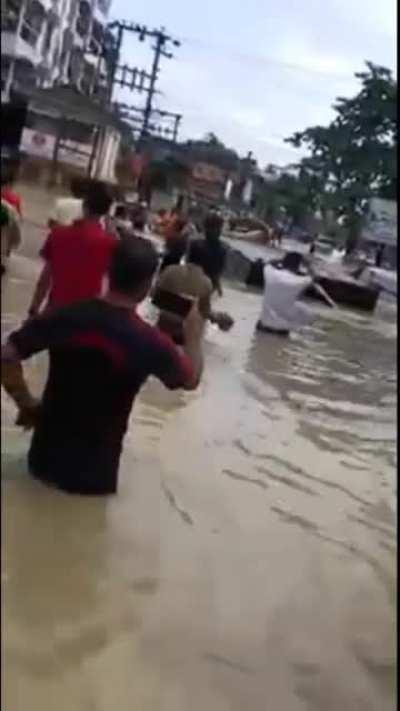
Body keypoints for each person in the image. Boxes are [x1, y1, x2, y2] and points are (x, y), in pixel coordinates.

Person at [1, 239, 204, 496]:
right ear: (147, 285)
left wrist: (27, 403)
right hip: (95, 477)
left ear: (108, 270)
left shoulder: (65, 315)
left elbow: (6, 356)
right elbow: (190, 380)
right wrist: (195, 335)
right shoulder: (149, 341)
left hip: (42, 463)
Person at [28, 181, 116, 318]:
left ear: (84, 205)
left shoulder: (58, 234)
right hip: (87, 318)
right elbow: (110, 288)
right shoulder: (111, 244)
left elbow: (45, 279)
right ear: (106, 211)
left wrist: (33, 310)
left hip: (55, 312)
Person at [155, 239, 234, 343]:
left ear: (187, 255)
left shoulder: (170, 270)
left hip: (161, 328)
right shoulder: (206, 283)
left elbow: (154, 296)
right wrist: (217, 317)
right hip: (183, 334)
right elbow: (204, 311)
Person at [256, 252, 314, 337]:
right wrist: (308, 264)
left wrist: (281, 259)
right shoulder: (300, 281)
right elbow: (313, 276)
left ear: (283, 263)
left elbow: (269, 263)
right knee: (305, 310)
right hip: (281, 332)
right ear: (298, 267)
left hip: (262, 326)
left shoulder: (270, 273)